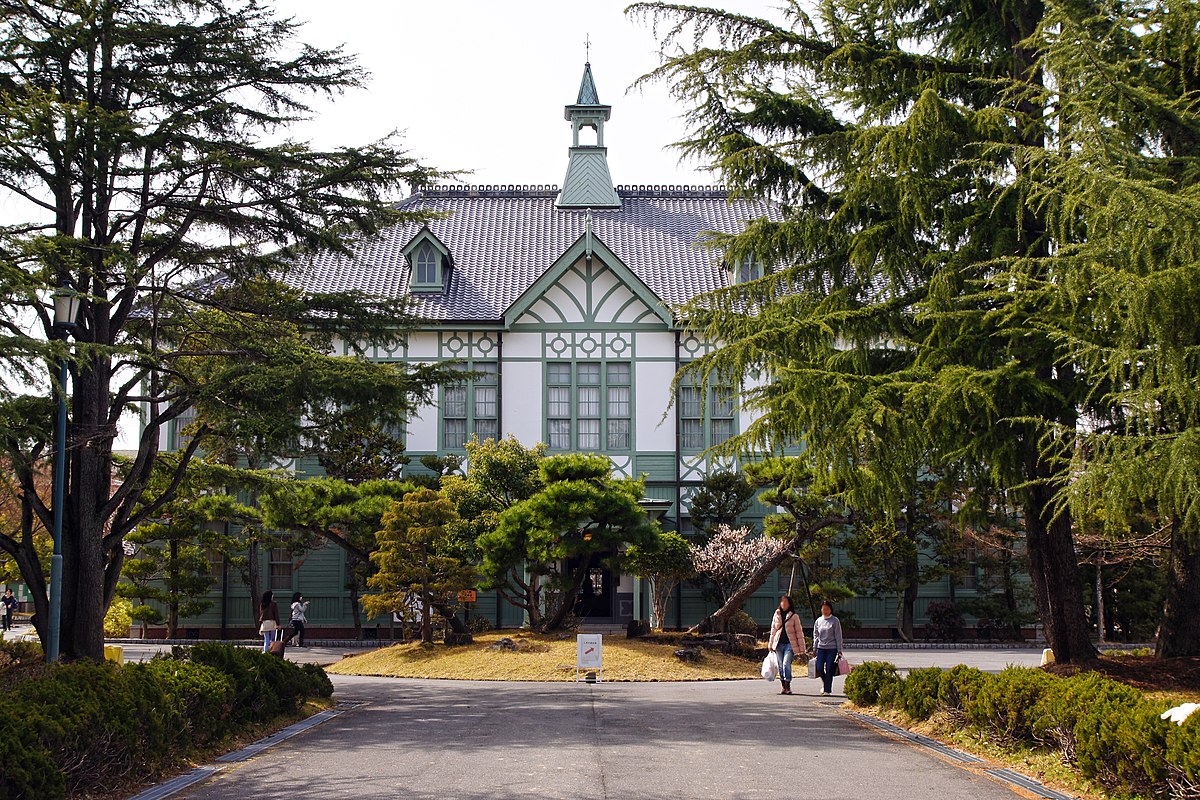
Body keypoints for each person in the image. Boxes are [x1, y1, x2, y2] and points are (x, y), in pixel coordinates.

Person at [767, 594, 805, 695]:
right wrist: (770, 644)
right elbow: (773, 630)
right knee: (780, 666)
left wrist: (802, 647)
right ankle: (783, 686)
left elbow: (799, 632)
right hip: (778, 644)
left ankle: (788, 684)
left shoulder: (794, 616)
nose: (783, 604)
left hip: (790, 644)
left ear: (789, 604)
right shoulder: (777, 614)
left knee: (786, 664)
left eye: (786, 602)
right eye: (782, 601)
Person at [812, 599, 845, 696]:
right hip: (821, 648)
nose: (825, 611)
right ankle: (825, 683)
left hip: (832, 648)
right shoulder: (818, 621)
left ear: (830, 609)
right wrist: (814, 648)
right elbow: (816, 635)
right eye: (823, 609)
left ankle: (827, 690)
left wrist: (839, 650)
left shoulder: (835, 621)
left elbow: (838, 636)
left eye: (827, 609)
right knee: (819, 667)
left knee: (830, 668)